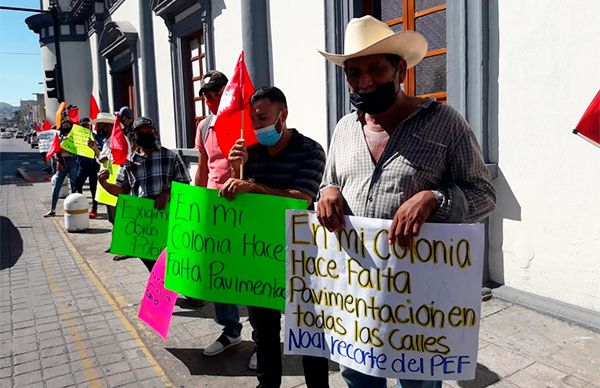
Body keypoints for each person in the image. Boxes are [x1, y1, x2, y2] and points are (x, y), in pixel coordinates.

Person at [316, 15, 497, 388]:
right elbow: (329, 182)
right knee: (358, 380)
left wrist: (434, 198)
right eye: (354, 72)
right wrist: (327, 192)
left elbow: (484, 195)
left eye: (375, 69)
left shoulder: (445, 122)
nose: (364, 81)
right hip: (356, 299)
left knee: (418, 384)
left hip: (420, 302)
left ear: (399, 69)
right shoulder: (344, 128)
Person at [221, 86, 327, 388]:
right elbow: (237, 202)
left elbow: (301, 199)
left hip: (301, 256)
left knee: (308, 331)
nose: (257, 127)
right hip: (260, 257)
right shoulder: (250, 155)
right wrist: (234, 172)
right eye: (253, 121)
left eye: (263, 119)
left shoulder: (311, 150)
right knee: (264, 332)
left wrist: (253, 188)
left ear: (283, 114)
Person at [190, 70, 251, 362]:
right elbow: (203, 167)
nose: (212, 99)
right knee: (220, 273)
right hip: (215, 208)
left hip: (247, 208)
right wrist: (194, 204)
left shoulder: (246, 122)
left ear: (229, 92)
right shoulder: (203, 127)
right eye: (207, 94)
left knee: (253, 273)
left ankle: (264, 340)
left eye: (217, 92)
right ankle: (231, 330)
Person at [98, 117, 191, 272]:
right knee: (151, 261)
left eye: (149, 131)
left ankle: (184, 292)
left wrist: (167, 193)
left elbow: (184, 185)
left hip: (166, 219)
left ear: (155, 133)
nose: (146, 134)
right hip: (142, 224)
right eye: (141, 132)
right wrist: (105, 184)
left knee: (172, 259)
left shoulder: (170, 156)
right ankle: (162, 290)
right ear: (134, 135)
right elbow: (122, 190)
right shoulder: (129, 162)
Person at [43, 118, 79, 217]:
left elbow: (80, 149)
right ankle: (52, 209)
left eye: (68, 125)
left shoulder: (75, 136)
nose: (66, 127)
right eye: (64, 126)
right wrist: (58, 161)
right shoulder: (58, 136)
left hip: (72, 161)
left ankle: (75, 208)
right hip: (62, 163)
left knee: (74, 185)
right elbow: (55, 149)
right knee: (56, 186)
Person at [74, 118, 103, 218]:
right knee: (77, 186)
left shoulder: (95, 136)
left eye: (86, 125)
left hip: (94, 165)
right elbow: (70, 149)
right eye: (83, 125)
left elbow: (101, 149)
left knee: (93, 188)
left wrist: (95, 145)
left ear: (90, 126)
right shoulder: (77, 137)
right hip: (82, 165)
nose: (85, 127)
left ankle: (94, 209)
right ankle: (82, 207)